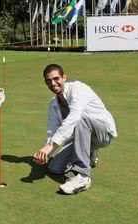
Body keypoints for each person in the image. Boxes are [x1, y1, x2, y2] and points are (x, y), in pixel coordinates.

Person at [33, 64, 117, 195]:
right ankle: (89, 152)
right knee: (54, 168)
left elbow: (74, 118)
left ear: (64, 77)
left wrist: (51, 146)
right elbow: (52, 131)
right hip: (82, 136)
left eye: (56, 78)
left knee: (80, 120)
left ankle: (83, 176)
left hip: (103, 133)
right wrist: (46, 153)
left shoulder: (78, 88)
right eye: (48, 81)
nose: (53, 83)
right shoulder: (53, 104)